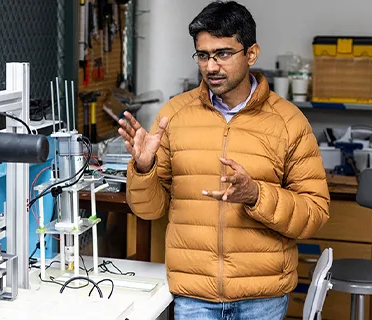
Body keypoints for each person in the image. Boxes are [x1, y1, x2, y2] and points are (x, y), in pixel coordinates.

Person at [117, 1, 330, 319]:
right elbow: (149, 210)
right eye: (203, 55)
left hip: (263, 298)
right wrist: (144, 168)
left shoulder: (288, 122)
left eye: (223, 54)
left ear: (251, 54)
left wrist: (256, 195)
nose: (211, 66)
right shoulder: (174, 115)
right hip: (194, 297)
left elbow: (315, 214)